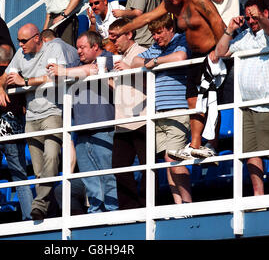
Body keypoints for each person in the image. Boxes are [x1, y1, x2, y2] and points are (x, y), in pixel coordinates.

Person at [111, 0, 225, 158]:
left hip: (212, 52)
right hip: (195, 56)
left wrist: (220, 50)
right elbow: (146, 18)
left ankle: (212, 144)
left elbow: (216, 20)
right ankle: (195, 144)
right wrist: (123, 29)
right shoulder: (172, 3)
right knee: (192, 99)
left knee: (210, 99)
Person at [214, 0, 269, 196]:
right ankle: (257, 198)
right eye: (248, 17)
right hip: (248, 105)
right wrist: (230, 29)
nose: (251, 20)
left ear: (265, 13)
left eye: (254, 16)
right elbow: (220, 52)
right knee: (250, 153)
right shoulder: (244, 36)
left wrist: (260, 19)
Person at [0, 23, 68, 221]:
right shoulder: (20, 55)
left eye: (23, 40)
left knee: (52, 158)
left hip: (53, 112)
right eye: (18, 40)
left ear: (37, 38)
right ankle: (49, 213)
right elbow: (4, 76)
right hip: (32, 118)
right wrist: (0, 89)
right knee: (38, 171)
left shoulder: (53, 49)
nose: (20, 45)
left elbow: (56, 76)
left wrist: (25, 82)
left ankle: (38, 204)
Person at [47, 31, 118, 213]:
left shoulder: (109, 58)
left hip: (104, 126)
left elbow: (93, 70)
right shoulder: (77, 64)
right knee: (89, 177)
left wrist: (63, 71)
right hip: (81, 129)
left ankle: (112, 211)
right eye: (77, 47)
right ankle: (96, 211)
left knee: (107, 175)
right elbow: (56, 76)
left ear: (95, 47)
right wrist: (61, 71)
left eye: (82, 47)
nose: (79, 51)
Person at [130, 14, 193, 204]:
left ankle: (188, 204)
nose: (156, 38)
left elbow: (180, 56)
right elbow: (135, 61)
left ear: (170, 29)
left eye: (159, 33)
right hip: (158, 112)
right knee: (168, 160)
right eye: (153, 34)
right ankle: (178, 206)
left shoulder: (181, 40)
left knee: (173, 158)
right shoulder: (156, 48)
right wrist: (155, 58)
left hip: (177, 110)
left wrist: (156, 62)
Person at [0, 44, 33, 222]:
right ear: (10, 60)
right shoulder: (16, 75)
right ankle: (28, 217)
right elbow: (24, 105)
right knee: (19, 175)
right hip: (14, 131)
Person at [107, 18, 148, 209]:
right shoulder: (119, 59)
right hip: (122, 122)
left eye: (116, 37)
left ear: (129, 34)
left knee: (148, 167)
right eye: (111, 38)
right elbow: (121, 88)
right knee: (119, 166)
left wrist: (130, 69)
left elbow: (149, 82)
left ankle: (148, 206)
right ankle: (130, 208)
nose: (113, 42)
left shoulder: (140, 53)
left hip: (141, 119)